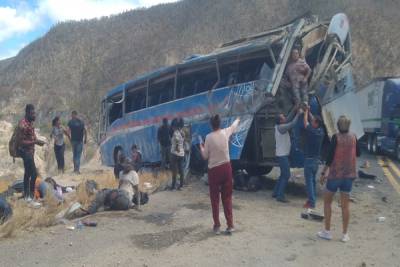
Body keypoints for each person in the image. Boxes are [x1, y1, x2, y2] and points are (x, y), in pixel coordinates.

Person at [318, 115, 361, 243]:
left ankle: (327, 232)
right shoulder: (354, 137)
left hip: (335, 175)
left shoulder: (335, 137)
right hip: (349, 176)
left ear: (338, 125)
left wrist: (323, 172)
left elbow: (330, 157)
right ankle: (345, 234)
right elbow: (359, 153)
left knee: (327, 202)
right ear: (348, 125)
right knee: (345, 206)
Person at [200, 115, 240, 235]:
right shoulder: (225, 132)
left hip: (214, 171)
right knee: (227, 198)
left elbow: (205, 156)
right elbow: (233, 126)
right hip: (226, 168)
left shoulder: (208, 137)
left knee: (215, 199)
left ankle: (217, 226)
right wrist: (238, 119)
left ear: (211, 125)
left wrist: (201, 147)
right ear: (220, 123)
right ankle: (230, 225)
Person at [17, 104, 45, 204]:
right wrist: (35, 142)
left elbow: (31, 138)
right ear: (28, 113)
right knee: (34, 174)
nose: (34, 115)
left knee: (27, 173)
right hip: (25, 153)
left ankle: (26, 195)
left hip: (30, 152)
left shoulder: (30, 123)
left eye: (34, 113)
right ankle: (31, 197)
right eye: (32, 113)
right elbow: (21, 142)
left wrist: (38, 141)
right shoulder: (22, 124)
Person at [272, 108, 301, 203]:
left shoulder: (279, 126)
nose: (284, 117)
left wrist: (294, 109)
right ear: (280, 121)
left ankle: (275, 192)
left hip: (281, 154)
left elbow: (288, 119)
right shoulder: (282, 128)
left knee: (283, 175)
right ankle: (280, 195)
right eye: (282, 117)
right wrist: (298, 114)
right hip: (282, 155)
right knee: (286, 174)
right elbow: (292, 123)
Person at [303, 106, 324, 209]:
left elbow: (305, 122)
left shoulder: (312, 131)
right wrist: (309, 110)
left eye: (313, 122)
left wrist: (306, 111)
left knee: (309, 183)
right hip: (316, 161)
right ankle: (312, 200)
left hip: (309, 161)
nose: (312, 122)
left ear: (316, 124)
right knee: (312, 182)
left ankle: (311, 203)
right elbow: (312, 120)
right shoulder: (321, 132)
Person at [170, 118, 185, 190]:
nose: (172, 128)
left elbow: (176, 140)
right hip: (181, 154)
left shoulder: (175, 132)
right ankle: (181, 185)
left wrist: (176, 147)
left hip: (175, 154)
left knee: (174, 171)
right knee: (181, 170)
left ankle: (173, 186)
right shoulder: (182, 132)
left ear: (174, 126)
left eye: (172, 126)